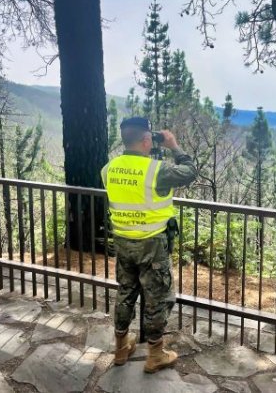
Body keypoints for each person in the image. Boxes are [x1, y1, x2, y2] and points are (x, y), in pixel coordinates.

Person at [101, 117, 197, 373]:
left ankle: (121, 347)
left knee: (125, 293)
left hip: (123, 242)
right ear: (146, 140)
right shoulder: (157, 170)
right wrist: (174, 146)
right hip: (152, 244)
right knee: (156, 299)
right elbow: (190, 172)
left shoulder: (108, 169)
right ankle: (155, 354)